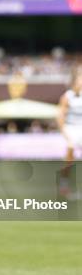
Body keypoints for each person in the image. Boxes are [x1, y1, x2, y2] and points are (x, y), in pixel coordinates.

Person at [57, 66, 82, 195]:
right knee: (69, 159)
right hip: (71, 129)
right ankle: (64, 183)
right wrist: (65, 133)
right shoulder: (67, 96)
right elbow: (60, 116)